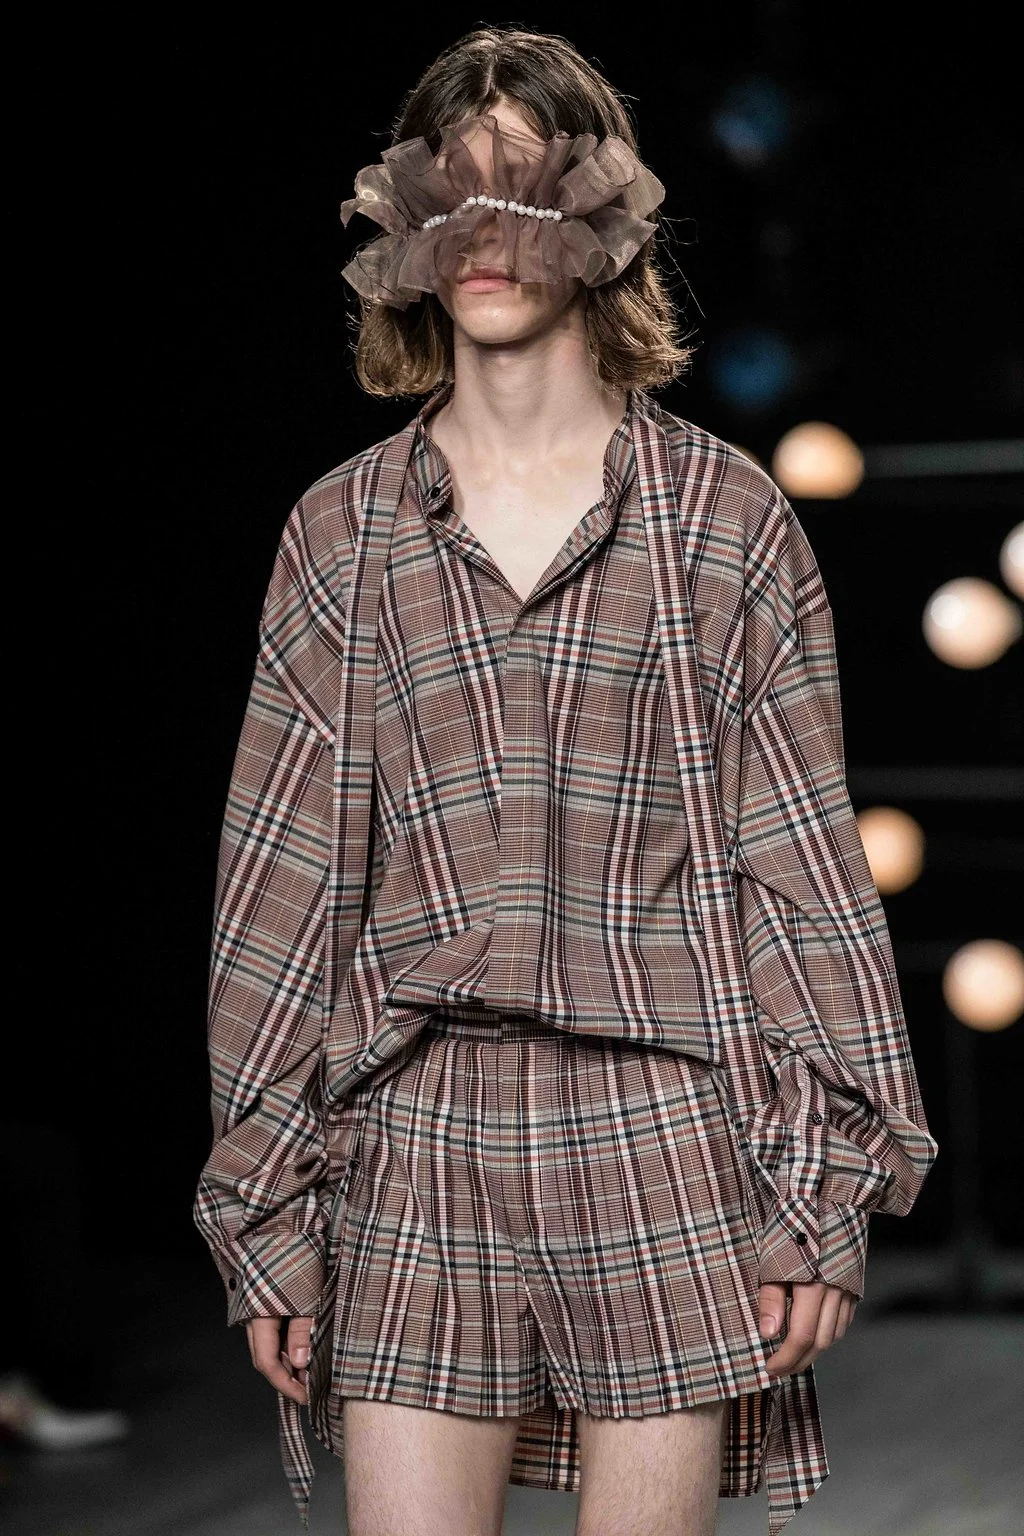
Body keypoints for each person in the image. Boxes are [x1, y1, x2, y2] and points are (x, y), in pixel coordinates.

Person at [193, 26, 938, 1536]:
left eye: (527, 186)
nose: (484, 229)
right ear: (398, 221)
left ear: (606, 218)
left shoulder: (724, 522)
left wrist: (819, 1185)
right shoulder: (344, 533)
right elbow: (282, 892)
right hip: (415, 1131)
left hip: (665, 1126)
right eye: (447, 188)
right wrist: (264, 1200)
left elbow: (798, 868)